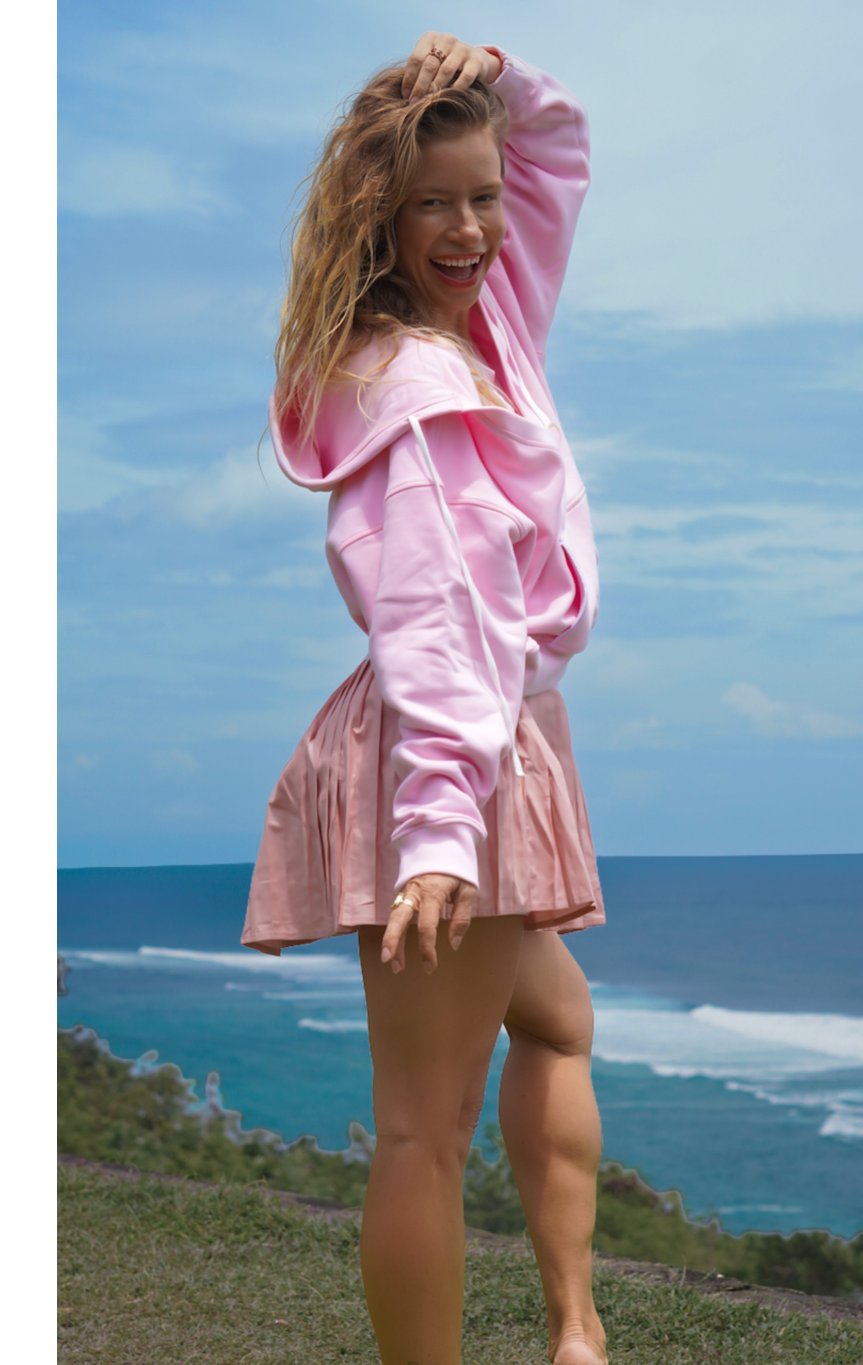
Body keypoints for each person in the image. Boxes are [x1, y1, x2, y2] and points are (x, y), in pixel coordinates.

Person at [241, 29, 609, 1365]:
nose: (471, 229)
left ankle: (576, 1329)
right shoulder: (421, 382)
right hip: (450, 738)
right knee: (421, 1124)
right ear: (377, 219)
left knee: (556, 1019)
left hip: (488, 727)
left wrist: (492, 73)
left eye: (483, 197)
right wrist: (443, 831)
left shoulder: (488, 321)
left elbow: (555, 151)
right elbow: (439, 606)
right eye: (431, 204)